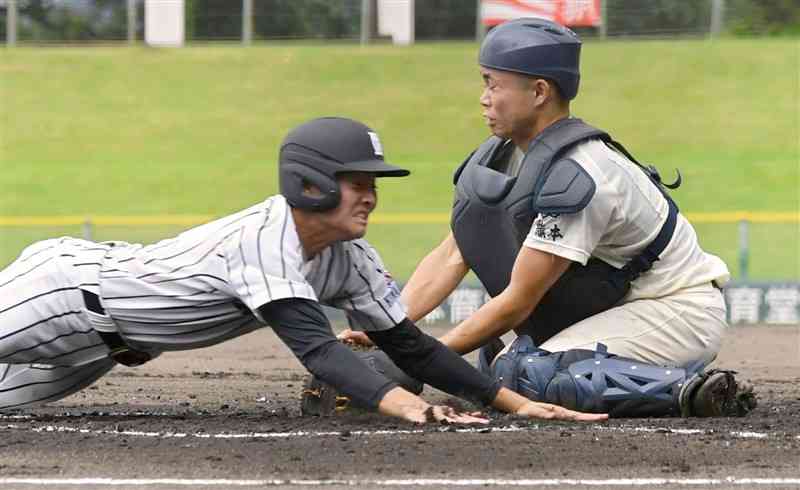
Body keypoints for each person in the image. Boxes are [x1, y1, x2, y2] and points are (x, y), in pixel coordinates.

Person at [0, 116, 608, 425]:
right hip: (60, 294)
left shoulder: (349, 259)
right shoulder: (265, 238)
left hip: (104, 344)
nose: (370, 196)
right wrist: (402, 405)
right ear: (310, 184)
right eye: (357, 183)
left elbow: (412, 348)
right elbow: (317, 349)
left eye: (374, 185)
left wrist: (514, 403)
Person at [339, 20, 755, 418]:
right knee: (499, 365)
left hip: (676, 310)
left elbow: (518, 302)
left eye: (493, 83)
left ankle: (690, 393)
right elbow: (453, 254)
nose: (483, 97)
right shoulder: (504, 155)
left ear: (539, 92)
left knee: (524, 376)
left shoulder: (583, 173)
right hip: (615, 307)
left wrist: (419, 360)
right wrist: (393, 326)